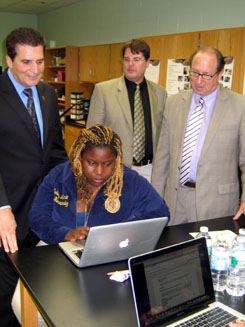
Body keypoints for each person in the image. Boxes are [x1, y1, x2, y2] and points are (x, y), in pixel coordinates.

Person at [0, 27, 67, 326]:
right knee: (3, 288)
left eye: (39, 61)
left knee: (35, 285)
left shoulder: (47, 94)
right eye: (27, 62)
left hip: (40, 210)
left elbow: (54, 151)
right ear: (9, 59)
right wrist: (1, 208)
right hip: (7, 212)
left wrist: (72, 190)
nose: (35, 70)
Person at [29, 125, 170, 244]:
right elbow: (37, 216)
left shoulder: (130, 180)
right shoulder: (59, 176)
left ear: (117, 160)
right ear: (79, 157)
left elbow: (160, 214)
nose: (99, 172)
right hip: (58, 247)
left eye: (108, 164)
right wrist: (65, 234)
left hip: (110, 252)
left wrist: (119, 235)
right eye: (91, 163)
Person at [152, 46, 245, 225]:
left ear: (220, 74)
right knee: (173, 251)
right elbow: (162, 157)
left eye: (206, 75)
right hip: (175, 198)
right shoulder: (173, 104)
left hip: (217, 202)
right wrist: (154, 198)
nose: (199, 81)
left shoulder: (239, 106)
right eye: (194, 73)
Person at [86, 39, 167, 181]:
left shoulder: (160, 93)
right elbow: (92, 136)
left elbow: (163, 133)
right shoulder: (103, 91)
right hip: (115, 169)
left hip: (150, 170)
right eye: (127, 59)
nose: (130, 64)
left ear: (147, 63)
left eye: (136, 59)